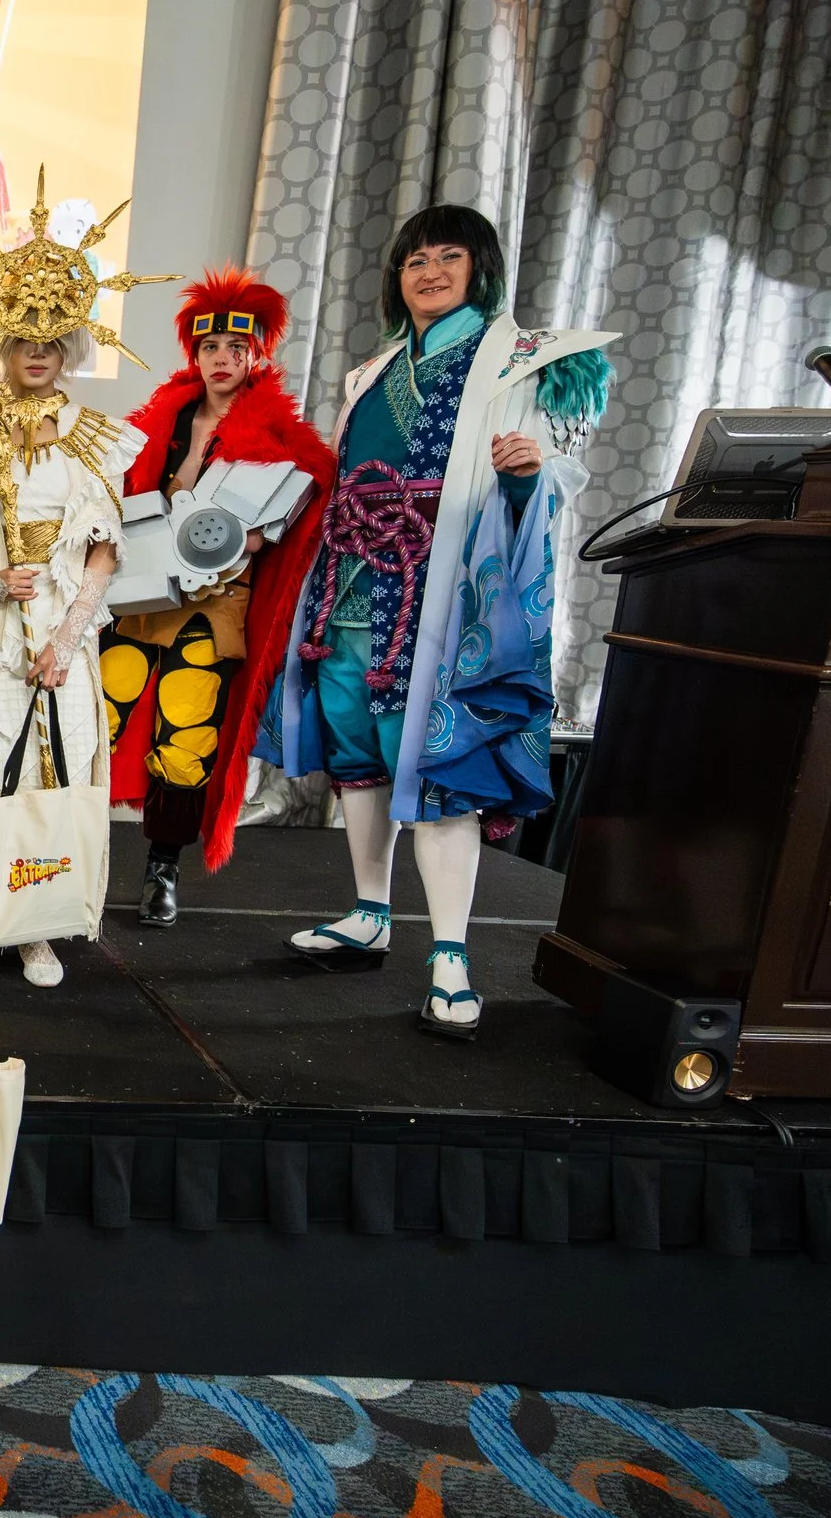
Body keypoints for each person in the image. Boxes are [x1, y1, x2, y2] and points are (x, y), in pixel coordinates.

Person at [260, 204, 612, 1037]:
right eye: (414, 260)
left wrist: (528, 473)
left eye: (448, 256)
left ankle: (450, 953)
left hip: (445, 596)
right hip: (350, 587)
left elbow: (562, 472)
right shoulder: (374, 370)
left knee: (440, 762)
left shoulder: (527, 363)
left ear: (480, 269)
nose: (428, 272)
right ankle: (369, 912)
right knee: (359, 752)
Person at [0, 172, 159, 986]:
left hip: (63, 642)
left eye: (52, 335)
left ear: (71, 340)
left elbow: (106, 550)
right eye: (24, 335)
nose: (38, 348)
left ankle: (38, 923)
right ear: (4, 340)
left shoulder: (96, 439)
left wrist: (69, 632)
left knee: (59, 774)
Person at [100, 269, 336, 926]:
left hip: (215, 606)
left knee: (189, 732)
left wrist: (268, 527)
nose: (223, 359)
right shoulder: (159, 419)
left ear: (257, 353)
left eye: (237, 348)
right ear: (194, 353)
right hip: (142, 597)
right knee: (93, 719)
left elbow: (316, 480)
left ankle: (162, 871)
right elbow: (121, 489)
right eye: (211, 348)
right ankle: (60, 854)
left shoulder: (278, 433)